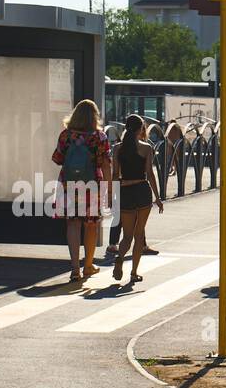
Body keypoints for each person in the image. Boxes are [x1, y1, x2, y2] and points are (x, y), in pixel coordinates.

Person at [51, 99, 112, 283]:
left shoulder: (65, 136)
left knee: (73, 224)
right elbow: (106, 164)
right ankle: (88, 265)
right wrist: (109, 189)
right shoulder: (99, 137)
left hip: (68, 185)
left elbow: (58, 158)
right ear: (95, 116)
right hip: (92, 185)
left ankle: (75, 268)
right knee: (91, 224)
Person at [111, 114, 164, 284]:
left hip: (125, 192)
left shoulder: (117, 148)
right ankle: (133, 272)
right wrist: (157, 197)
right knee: (138, 234)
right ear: (141, 129)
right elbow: (150, 174)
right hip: (142, 191)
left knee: (127, 235)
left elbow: (114, 175)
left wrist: (113, 196)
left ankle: (120, 257)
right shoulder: (146, 148)